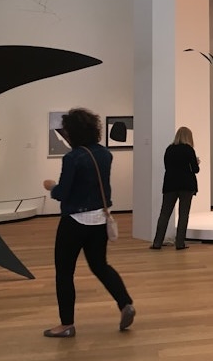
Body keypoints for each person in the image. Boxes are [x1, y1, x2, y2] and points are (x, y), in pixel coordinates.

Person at [42, 107, 135, 338]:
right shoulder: (106, 154)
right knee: (100, 265)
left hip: (74, 221)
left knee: (64, 272)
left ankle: (66, 325)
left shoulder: (72, 158)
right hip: (99, 220)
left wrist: (51, 186)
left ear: (72, 133)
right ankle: (125, 303)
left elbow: (63, 193)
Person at [150, 126, 200, 250]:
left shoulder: (169, 149)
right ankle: (180, 243)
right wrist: (196, 163)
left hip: (170, 185)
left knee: (164, 214)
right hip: (186, 185)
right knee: (183, 215)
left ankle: (157, 242)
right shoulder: (189, 150)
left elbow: (167, 167)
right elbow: (195, 170)